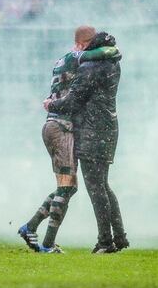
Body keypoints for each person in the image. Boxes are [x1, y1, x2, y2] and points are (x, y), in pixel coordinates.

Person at [18, 26, 119, 254]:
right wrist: (112, 50)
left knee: (68, 187)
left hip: (54, 124)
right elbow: (107, 53)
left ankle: (30, 227)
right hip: (61, 126)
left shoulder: (62, 59)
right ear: (84, 44)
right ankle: (47, 244)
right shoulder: (79, 57)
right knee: (66, 187)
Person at [45, 31, 126, 253]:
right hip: (109, 129)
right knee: (104, 185)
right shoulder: (113, 64)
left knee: (95, 188)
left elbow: (73, 101)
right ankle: (119, 237)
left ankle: (105, 242)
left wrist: (51, 105)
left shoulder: (90, 68)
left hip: (91, 132)